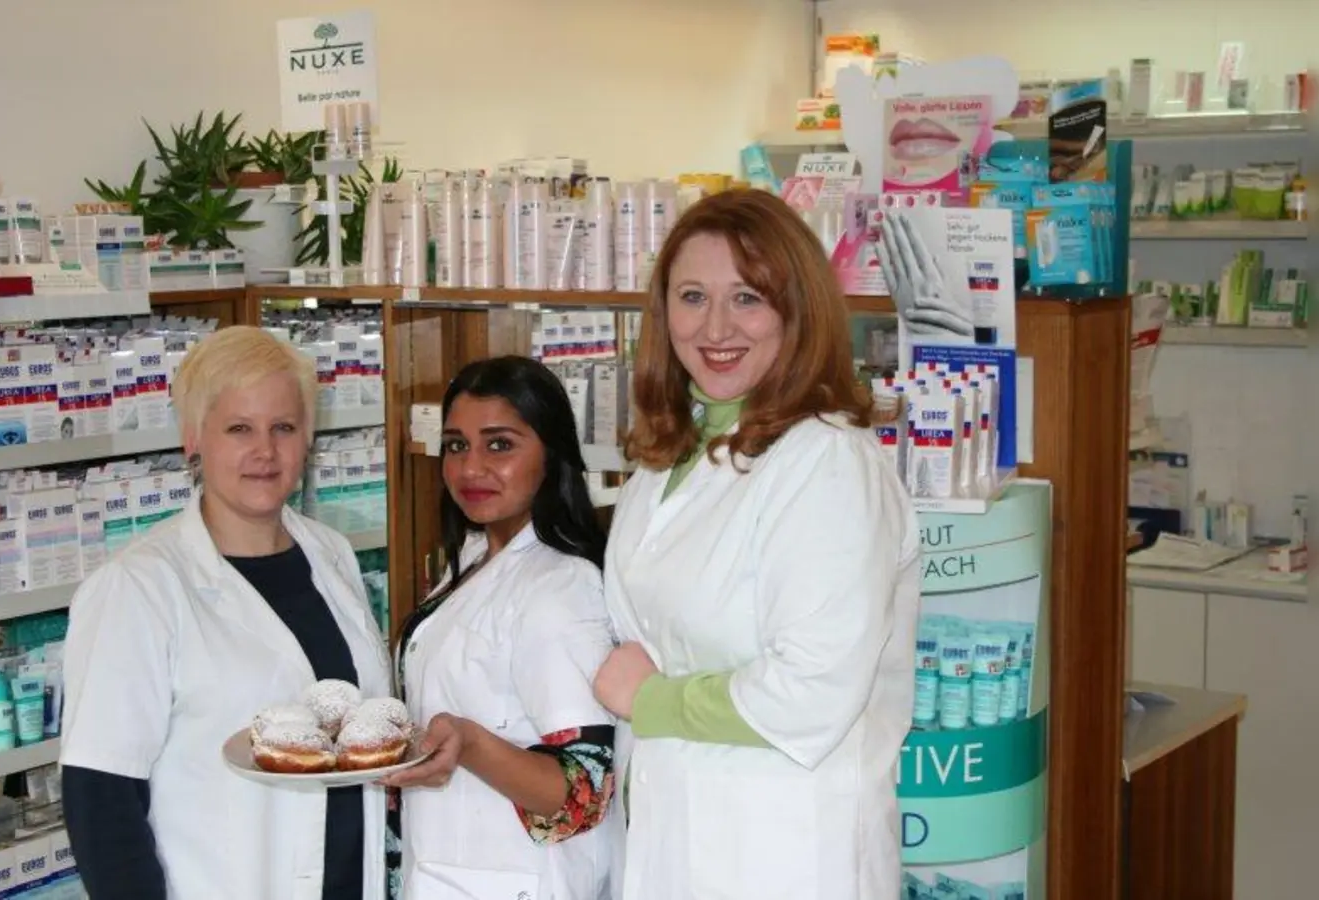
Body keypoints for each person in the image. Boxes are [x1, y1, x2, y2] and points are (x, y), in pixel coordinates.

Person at [591, 189, 922, 899]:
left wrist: (653, 700)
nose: (715, 326)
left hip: (786, 850)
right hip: (676, 836)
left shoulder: (828, 463)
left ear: (796, 310)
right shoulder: (672, 451)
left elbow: (811, 691)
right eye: (691, 296)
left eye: (747, 298)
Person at [59, 326, 392, 900]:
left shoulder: (330, 554)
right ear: (193, 438)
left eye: (283, 427)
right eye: (240, 428)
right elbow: (101, 800)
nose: (265, 451)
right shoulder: (137, 589)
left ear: (307, 438)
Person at [380, 356, 620, 900]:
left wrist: (470, 744)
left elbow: (582, 789)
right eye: (457, 445)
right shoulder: (474, 557)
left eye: (500, 445)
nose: (470, 469)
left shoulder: (560, 588)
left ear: (551, 453)